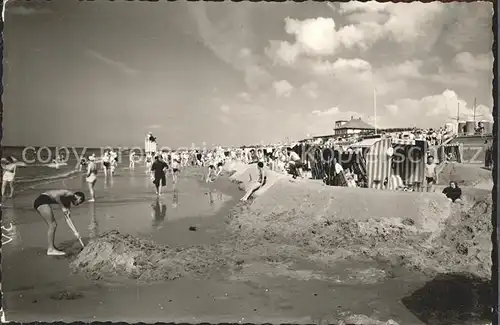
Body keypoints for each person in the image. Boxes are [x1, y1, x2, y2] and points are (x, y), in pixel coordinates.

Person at [33, 190, 86, 255]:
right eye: (80, 202)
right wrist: (63, 207)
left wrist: (76, 233)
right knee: (52, 225)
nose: (78, 204)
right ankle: (51, 249)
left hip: (42, 201)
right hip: (42, 200)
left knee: (52, 225)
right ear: (78, 197)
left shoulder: (67, 202)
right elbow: (57, 196)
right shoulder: (70, 194)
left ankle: (52, 247)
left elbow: (68, 219)